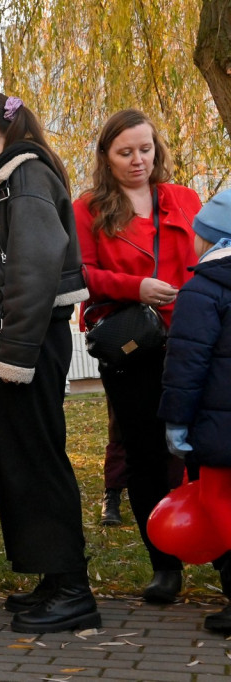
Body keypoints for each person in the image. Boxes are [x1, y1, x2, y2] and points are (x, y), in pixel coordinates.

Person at [0, 91, 97, 633]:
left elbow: (34, 268)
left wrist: (13, 354)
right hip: (24, 337)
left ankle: (73, 588)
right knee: (25, 458)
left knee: (39, 458)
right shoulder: (15, 176)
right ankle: (52, 576)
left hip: (30, 340)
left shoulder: (24, 175)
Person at [74, 109, 202, 603]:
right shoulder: (87, 209)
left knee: (202, 453)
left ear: (157, 148)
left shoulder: (184, 199)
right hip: (133, 347)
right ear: (106, 157)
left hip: (192, 341)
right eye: (125, 152)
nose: (137, 161)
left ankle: (218, 554)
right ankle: (164, 566)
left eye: (145, 149)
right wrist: (136, 287)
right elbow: (82, 275)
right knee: (146, 456)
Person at [158, 188, 231, 634]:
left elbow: (186, 364)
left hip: (220, 432)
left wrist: (177, 422)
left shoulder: (201, 290)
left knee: (222, 510)